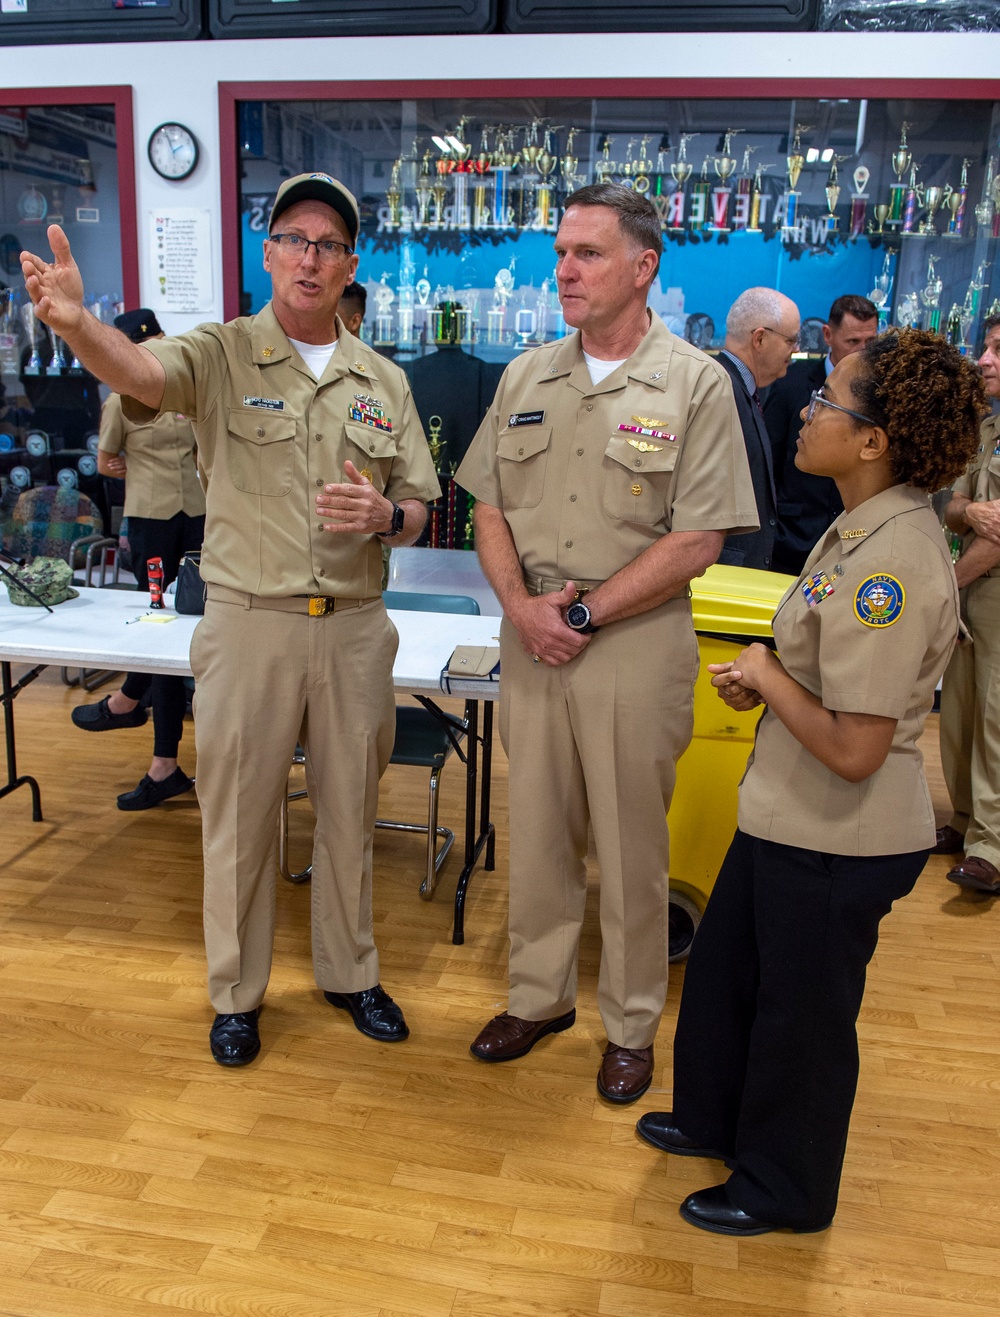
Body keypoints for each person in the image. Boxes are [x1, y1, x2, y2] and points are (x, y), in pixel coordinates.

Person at [21, 172, 440, 1067]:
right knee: (242, 815)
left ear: (349, 264)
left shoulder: (383, 381)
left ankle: (349, 970)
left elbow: (420, 508)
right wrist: (78, 326)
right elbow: (139, 372)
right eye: (295, 238)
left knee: (348, 812)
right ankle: (237, 993)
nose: (310, 257)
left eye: (329, 244)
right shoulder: (220, 354)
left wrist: (388, 519)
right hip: (251, 623)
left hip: (358, 624)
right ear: (269, 252)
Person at [636, 328, 986, 1236]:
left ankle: (784, 1186)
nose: (809, 411)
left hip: (840, 834)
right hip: (785, 815)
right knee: (727, 979)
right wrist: (769, 675)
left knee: (803, 1020)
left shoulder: (892, 563)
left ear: (873, 440)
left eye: (828, 400)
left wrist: (765, 674)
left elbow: (858, 747)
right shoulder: (857, 523)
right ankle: (715, 1118)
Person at [455, 182, 758, 1104]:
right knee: (539, 829)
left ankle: (630, 1023)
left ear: (642, 266)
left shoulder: (693, 382)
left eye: (586, 253)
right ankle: (539, 996)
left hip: (628, 646)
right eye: (559, 254)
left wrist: (580, 617)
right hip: (534, 637)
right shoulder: (526, 375)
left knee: (631, 848)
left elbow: (699, 538)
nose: (565, 272)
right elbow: (490, 505)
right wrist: (526, 609)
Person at [71, 309, 205, 811]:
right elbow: (107, 460)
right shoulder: (118, 403)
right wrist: (135, 470)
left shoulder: (188, 393)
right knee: (160, 629)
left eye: (158, 343)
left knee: (187, 625)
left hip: (199, 516)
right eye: (142, 346)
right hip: (150, 520)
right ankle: (152, 744)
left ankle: (128, 700)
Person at [937, 314, 1000, 890]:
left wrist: (945, 583)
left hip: (984, 586)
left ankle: (992, 847)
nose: (984, 359)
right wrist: (969, 512)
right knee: (958, 710)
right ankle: (962, 818)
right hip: (969, 587)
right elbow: (955, 507)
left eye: (998, 350)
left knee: (994, 719)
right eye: (986, 346)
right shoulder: (987, 430)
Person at [763, 294, 878, 574]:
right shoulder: (790, 383)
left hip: (853, 546)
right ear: (828, 334)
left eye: (870, 342)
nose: (862, 351)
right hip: (791, 543)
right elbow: (768, 463)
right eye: (853, 342)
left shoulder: (880, 392)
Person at [715, 287, 800, 571]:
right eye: (791, 340)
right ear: (760, 338)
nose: (796, 350)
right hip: (721, 572)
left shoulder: (742, 388)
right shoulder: (719, 390)